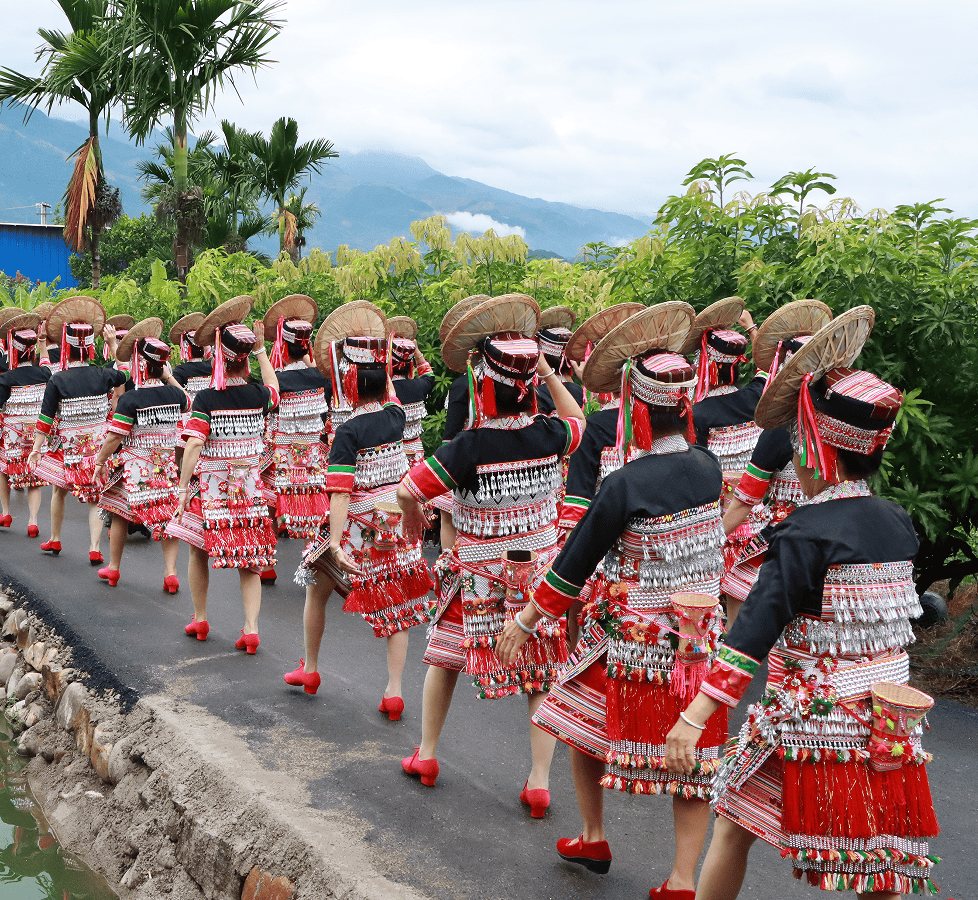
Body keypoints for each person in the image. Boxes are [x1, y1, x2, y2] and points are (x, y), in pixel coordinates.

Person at [664, 308, 940, 900]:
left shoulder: (807, 531)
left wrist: (693, 719)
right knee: (878, 862)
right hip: (888, 723)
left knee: (733, 826)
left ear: (820, 448)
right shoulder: (898, 523)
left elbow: (749, 639)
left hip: (813, 723)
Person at [498, 303, 727, 899]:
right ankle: (681, 877)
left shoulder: (623, 484)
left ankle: (595, 832)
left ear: (636, 408)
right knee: (693, 764)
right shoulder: (708, 468)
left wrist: (526, 619)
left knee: (570, 716)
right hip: (697, 642)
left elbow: (574, 564)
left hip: (631, 641)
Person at [397, 294, 585, 817]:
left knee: (444, 657)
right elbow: (582, 424)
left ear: (484, 382)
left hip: (478, 574)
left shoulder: (468, 447)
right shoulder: (550, 433)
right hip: (538, 574)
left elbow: (411, 489)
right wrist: (549, 374)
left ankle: (428, 754)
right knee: (541, 674)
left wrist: (417, 521)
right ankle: (540, 782)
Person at [290, 321, 432, 717]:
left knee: (315, 585)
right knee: (397, 604)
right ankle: (393, 689)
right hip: (394, 520)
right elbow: (390, 391)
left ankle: (312, 668)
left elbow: (340, 492)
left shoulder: (348, 431)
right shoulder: (395, 417)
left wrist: (335, 542)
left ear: (350, 382)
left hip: (356, 524)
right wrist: (379, 358)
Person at [167, 299, 279, 651]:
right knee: (250, 560)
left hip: (212, 492)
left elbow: (195, 445)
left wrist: (183, 487)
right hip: (248, 491)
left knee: (198, 553)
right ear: (244, 358)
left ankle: (200, 619)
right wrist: (263, 351)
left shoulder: (206, 399)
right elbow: (275, 389)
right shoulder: (258, 394)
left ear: (218, 356)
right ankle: (251, 628)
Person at [28, 299, 128, 563]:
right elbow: (125, 373)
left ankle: (56, 538)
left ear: (65, 346)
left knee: (59, 491)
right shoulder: (103, 374)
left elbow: (45, 419)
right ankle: (95, 547)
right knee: (96, 496)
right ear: (90, 347)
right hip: (98, 447)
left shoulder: (57, 379)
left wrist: (36, 450)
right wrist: (114, 345)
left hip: (68, 450)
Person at [93, 323, 188, 592]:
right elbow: (188, 401)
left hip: (134, 469)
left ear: (142, 365)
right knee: (167, 517)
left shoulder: (132, 399)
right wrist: (169, 377)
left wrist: (100, 461)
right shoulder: (174, 395)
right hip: (165, 468)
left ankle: (113, 569)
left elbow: (115, 437)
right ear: (162, 366)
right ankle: (170, 573)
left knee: (118, 511)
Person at [260, 296, 331, 552]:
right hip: (312, 455)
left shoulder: (277, 381)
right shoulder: (321, 379)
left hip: (279, 454)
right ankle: (315, 554)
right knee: (314, 505)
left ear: (282, 346)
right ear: (307, 346)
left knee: (267, 500)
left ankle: (267, 558)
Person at [0, 315, 51, 537]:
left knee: (4, 469)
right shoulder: (43, 374)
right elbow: (47, 363)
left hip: (11, 433)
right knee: (34, 477)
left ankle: (6, 512)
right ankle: (32, 521)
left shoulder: (7, 378)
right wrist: (42, 342)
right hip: (36, 432)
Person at [388, 320, 435, 466]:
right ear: (410, 362)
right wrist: (417, 352)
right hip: (416, 452)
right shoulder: (420, 386)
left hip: (391, 454)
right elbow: (429, 375)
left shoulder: (383, 391)